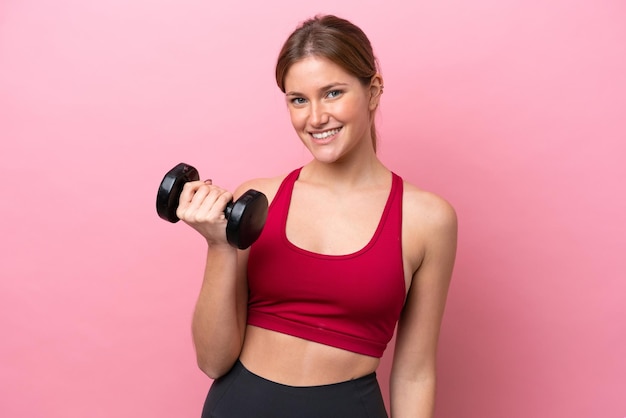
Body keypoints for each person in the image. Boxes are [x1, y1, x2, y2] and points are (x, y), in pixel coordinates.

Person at [176, 14, 457, 418]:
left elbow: (414, 373)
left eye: (333, 93)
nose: (315, 117)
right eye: (298, 100)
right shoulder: (259, 198)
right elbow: (213, 361)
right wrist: (219, 246)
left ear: (373, 91)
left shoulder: (428, 219)